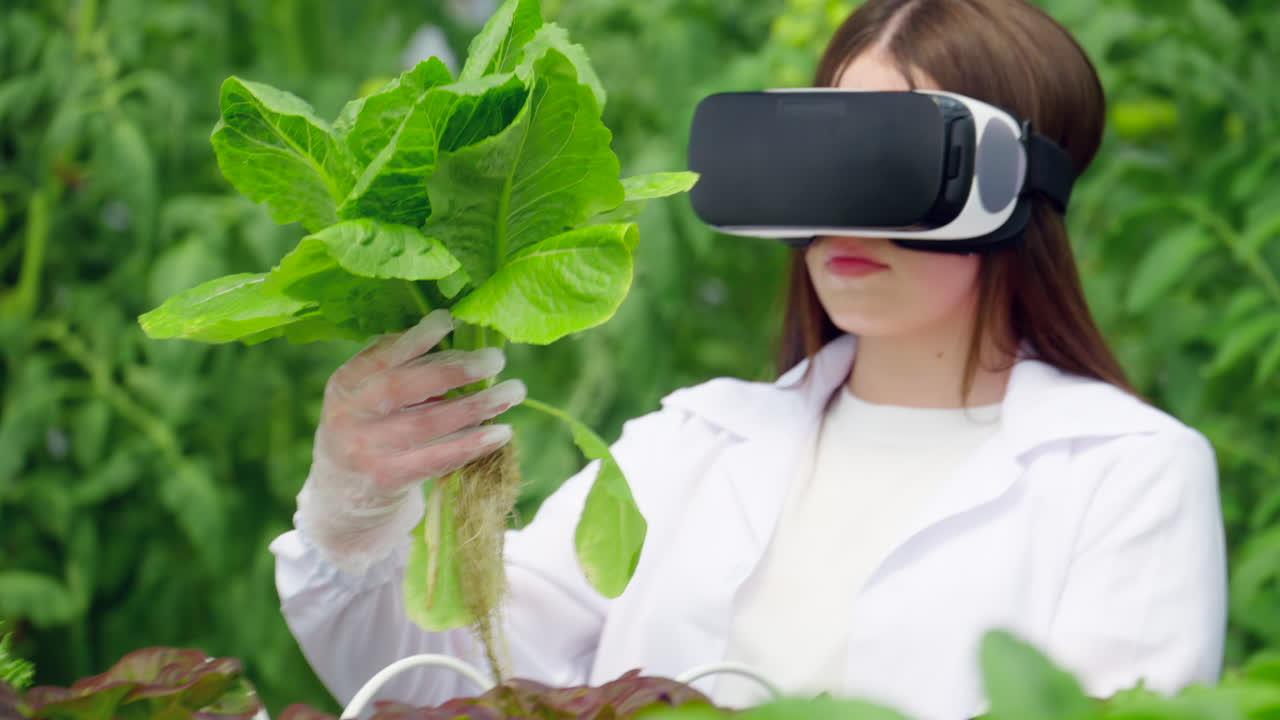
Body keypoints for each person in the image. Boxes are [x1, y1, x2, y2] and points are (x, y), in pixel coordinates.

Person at [269, 1, 1228, 718]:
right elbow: (440, 680)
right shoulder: (693, 442)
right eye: (819, 157)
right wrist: (353, 512)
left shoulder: (1126, 473)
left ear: (1016, 184)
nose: (842, 215)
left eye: (884, 163)